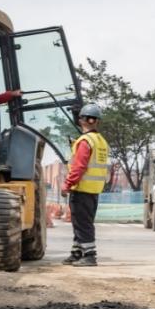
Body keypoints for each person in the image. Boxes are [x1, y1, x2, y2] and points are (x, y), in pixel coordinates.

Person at [61, 103, 109, 267]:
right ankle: (77, 252)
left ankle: (89, 255)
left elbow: (79, 167)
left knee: (83, 224)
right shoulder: (101, 141)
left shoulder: (85, 141)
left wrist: (67, 184)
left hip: (81, 189)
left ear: (82, 120)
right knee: (80, 223)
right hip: (94, 190)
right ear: (97, 121)